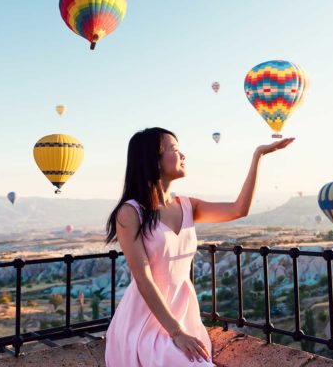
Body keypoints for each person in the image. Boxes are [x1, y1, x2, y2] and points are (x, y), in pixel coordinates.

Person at [104, 127, 294, 366]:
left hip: (183, 313)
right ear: (154, 159)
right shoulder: (130, 212)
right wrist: (176, 333)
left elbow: (239, 209)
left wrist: (258, 156)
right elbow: (143, 278)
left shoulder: (186, 206)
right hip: (145, 320)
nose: (183, 155)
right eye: (174, 149)